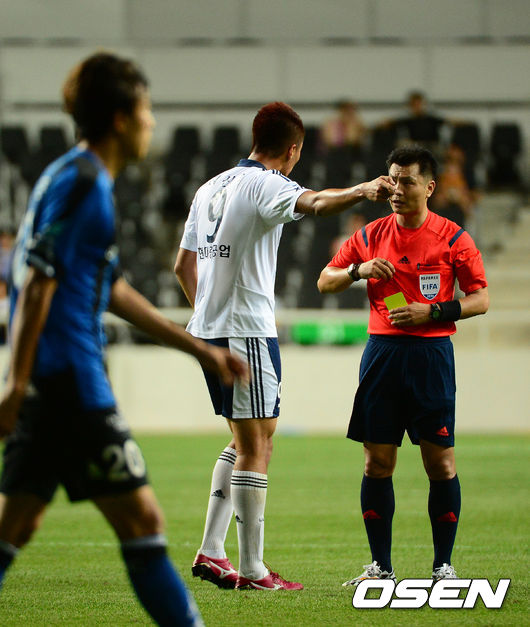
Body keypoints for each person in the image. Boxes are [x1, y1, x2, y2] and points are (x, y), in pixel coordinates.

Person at [0, 52, 248, 626]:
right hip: (72, 385)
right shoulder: (87, 184)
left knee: (16, 526)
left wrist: (199, 348)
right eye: (146, 109)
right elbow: (37, 280)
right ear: (120, 118)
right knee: (143, 523)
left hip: (50, 383)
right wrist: (15, 383)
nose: (152, 122)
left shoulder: (69, 176)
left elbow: (110, 289)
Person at [174, 101, 395, 591]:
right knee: (257, 444)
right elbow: (315, 204)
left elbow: (183, 266)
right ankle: (252, 570)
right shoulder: (266, 183)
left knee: (250, 437)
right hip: (245, 330)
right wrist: (362, 189)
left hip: (212, 327)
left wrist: (207, 314)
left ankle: (212, 551)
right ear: (293, 150)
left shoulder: (210, 186)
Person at [317, 145, 489, 586]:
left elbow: (480, 299)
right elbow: (325, 280)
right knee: (377, 464)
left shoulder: (453, 238)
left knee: (441, 464)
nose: (396, 189)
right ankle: (381, 567)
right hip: (383, 355)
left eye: (407, 181)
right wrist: (357, 271)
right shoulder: (370, 235)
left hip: (431, 357)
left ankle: (443, 568)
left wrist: (432, 312)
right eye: (392, 179)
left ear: (429, 187)